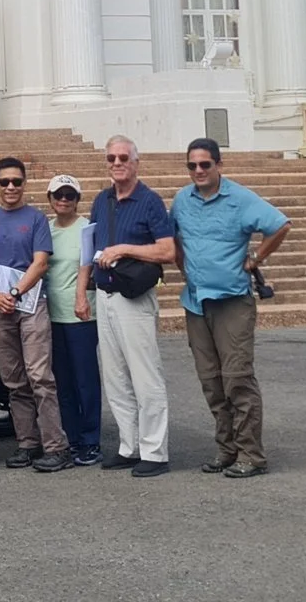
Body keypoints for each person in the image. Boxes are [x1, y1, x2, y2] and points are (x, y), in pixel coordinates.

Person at [171, 138, 291, 478]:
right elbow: (174, 238)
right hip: (196, 302)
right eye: (192, 165)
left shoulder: (239, 198)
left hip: (232, 302)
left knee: (237, 376)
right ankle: (226, 449)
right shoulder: (182, 200)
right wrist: (185, 268)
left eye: (205, 164)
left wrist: (256, 259)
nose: (198, 171)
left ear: (219, 165)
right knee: (211, 380)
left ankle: (251, 454)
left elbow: (280, 224)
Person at [89, 135, 177, 477]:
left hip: (135, 299)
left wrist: (125, 249)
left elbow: (167, 251)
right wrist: (83, 289)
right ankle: (130, 445)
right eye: (111, 158)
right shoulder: (102, 200)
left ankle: (155, 452)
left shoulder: (149, 201)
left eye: (123, 157)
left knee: (145, 375)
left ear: (136, 162)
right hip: (105, 295)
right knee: (115, 376)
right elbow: (92, 246)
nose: (117, 163)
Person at [0, 156, 68, 472]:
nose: (10, 187)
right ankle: (28, 443)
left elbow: (40, 262)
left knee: (40, 376)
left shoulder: (35, 219)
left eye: (16, 181)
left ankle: (56, 446)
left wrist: (16, 292)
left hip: (31, 303)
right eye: (4, 181)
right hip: (0, 307)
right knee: (13, 379)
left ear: (24, 184)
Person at [44, 173, 103, 467]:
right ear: (50, 199)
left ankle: (91, 439)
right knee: (62, 382)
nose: (63, 200)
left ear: (78, 200)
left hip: (80, 315)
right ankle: (72, 436)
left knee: (85, 379)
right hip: (50, 314)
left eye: (69, 196)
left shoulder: (87, 229)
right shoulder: (45, 228)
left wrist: (81, 298)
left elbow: (89, 266)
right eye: (58, 195)